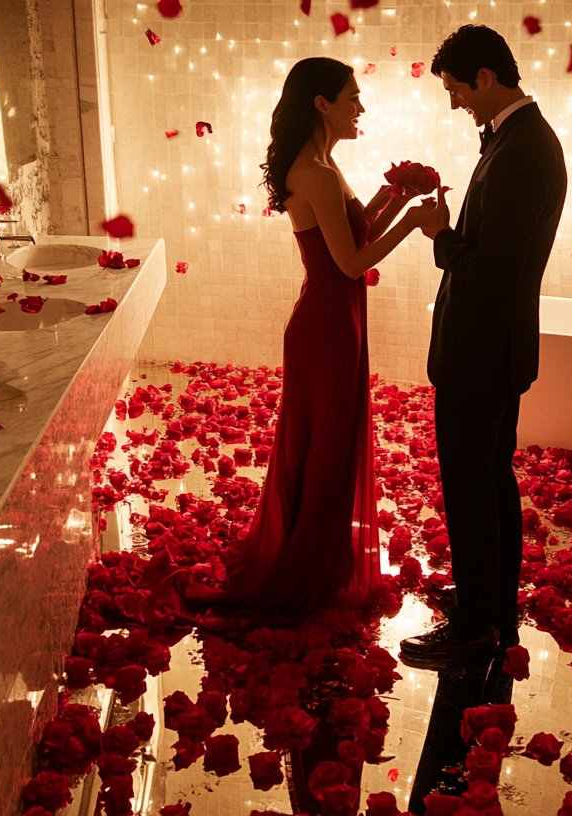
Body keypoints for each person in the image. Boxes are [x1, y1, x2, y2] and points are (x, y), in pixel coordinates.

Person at [191, 57, 433, 623]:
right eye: (351, 98)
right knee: (325, 445)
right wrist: (416, 224)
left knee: (328, 442)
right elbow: (351, 263)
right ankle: (307, 564)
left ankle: (315, 557)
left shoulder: (323, 165)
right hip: (327, 325)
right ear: (322, 104)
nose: (360, 108)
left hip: (331, 320)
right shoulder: (317, 173)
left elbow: (350, 229)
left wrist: (395, 193)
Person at [401, 26, 567, 668]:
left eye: (457, 89)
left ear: (488, 79)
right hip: (495, 346)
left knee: (471, 485)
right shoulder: (524, 140)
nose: (454, 103)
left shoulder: (523, 150)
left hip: (480, 349)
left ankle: (474, 628)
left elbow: (491, 272)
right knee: (492, 479)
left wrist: (441, 234)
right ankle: (491, 603)